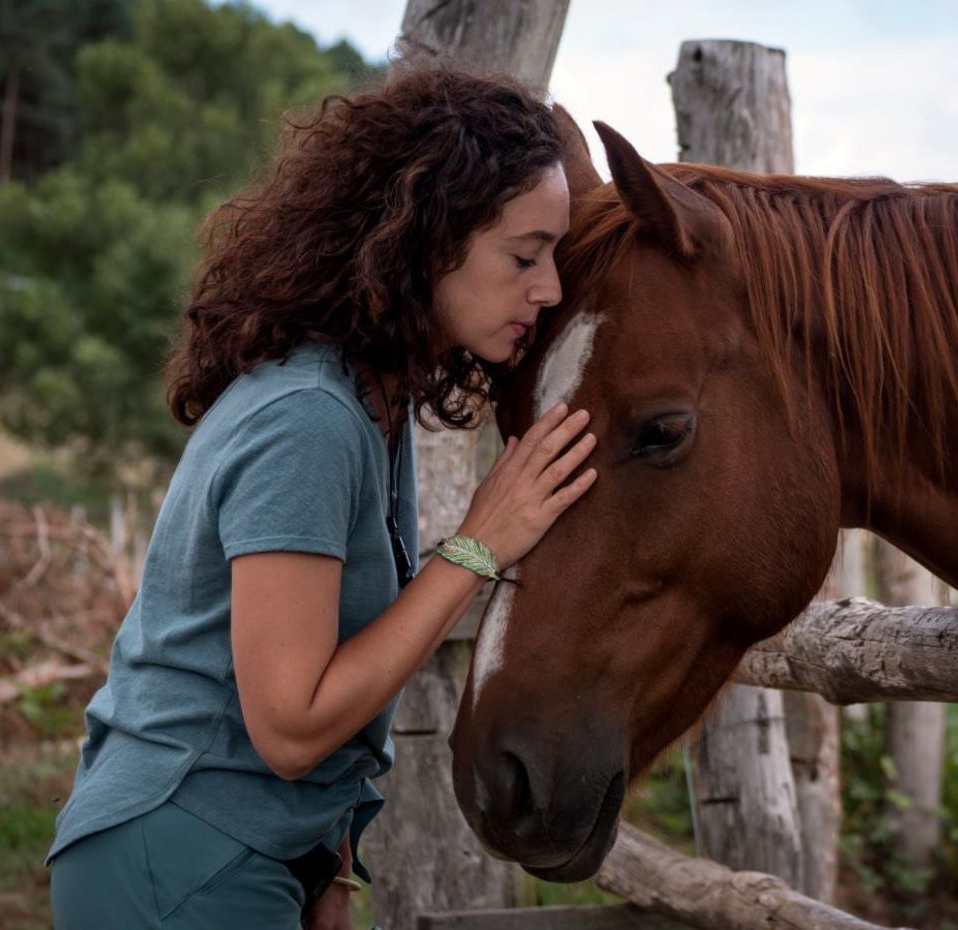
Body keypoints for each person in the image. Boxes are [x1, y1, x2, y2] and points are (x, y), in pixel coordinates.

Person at [47, 64, 597, 930]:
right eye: (524, 255)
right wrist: (478, 546)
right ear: (426, 239)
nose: (550, 288)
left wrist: (326, 870)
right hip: (178, 856)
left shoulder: (371, 404)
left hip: (250, 858)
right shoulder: (308, 420)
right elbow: (290, 726)